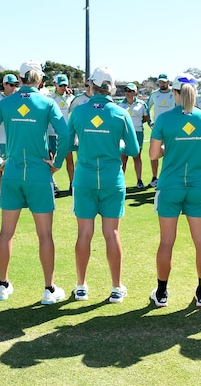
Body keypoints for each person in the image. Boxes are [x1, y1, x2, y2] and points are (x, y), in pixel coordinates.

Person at [0, 60, 70, 305]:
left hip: (11, 174)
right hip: (39, 175)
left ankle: (2, 285)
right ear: (40, 80)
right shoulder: (47, 102)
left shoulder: (6, 103)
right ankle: (49, 289)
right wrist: (57, 162)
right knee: (45, 235)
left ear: (19, 79)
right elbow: (64, 134)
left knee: (6, 233)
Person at [68, 67, 140, 303]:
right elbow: (133, 150)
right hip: (111, 180)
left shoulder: (78, 112)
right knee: (112, 234)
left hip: (85, 179)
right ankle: (116, 287)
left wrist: (88, 144)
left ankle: (81, 286)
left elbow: (68, 143)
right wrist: (113, 146)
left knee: (84, 233)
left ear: (92, 85)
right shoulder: (121, 113)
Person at [149, 73, 201, 308]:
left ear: (175, 93)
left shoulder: (163, 119)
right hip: (197, 187)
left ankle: (161, 293)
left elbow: (152, 154)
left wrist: (168, 149)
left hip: (170, 186)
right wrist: (198, 148)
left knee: (166, 242)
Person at [0, 74, 19, 206]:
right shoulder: (0, 100)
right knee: (0, 167)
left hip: (14, 139)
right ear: (4, 85)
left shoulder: (14, 98)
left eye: (15, 85)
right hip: (3, 139)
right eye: (11, 85)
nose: (14, 88)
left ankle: (11, 194)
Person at [48, 74, 75, 195]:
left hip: (66, 134)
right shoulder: (50, 98)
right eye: (61, 85)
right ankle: (52, 184)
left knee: (69, 158)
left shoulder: (70, 98)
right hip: (52, 133)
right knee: (52, 160)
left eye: (65, 85)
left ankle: (72, 184)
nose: (63, 88)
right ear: (55, 85)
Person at [146, 74, 175, 187]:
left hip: (172, 128)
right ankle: (154, 177)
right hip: (158, 128)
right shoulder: (154, 94)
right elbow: (147, 108)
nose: (162, 84)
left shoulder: (174, 93)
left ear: (168, 82)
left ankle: (169, 177)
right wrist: (150, 122)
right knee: (154, 152)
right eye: (160, 82)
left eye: (164, 82)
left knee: (171, 152)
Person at [119, 83, 149, 188]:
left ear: (135, 92)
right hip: (124, 134)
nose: (128, 93)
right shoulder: (120, 105)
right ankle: (121, 181)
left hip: (138, 132)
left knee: (137, 157)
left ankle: (139, 180)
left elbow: (146, 117)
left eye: (130, 91)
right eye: (126, 91)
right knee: (123, 157)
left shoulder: (141, 104)